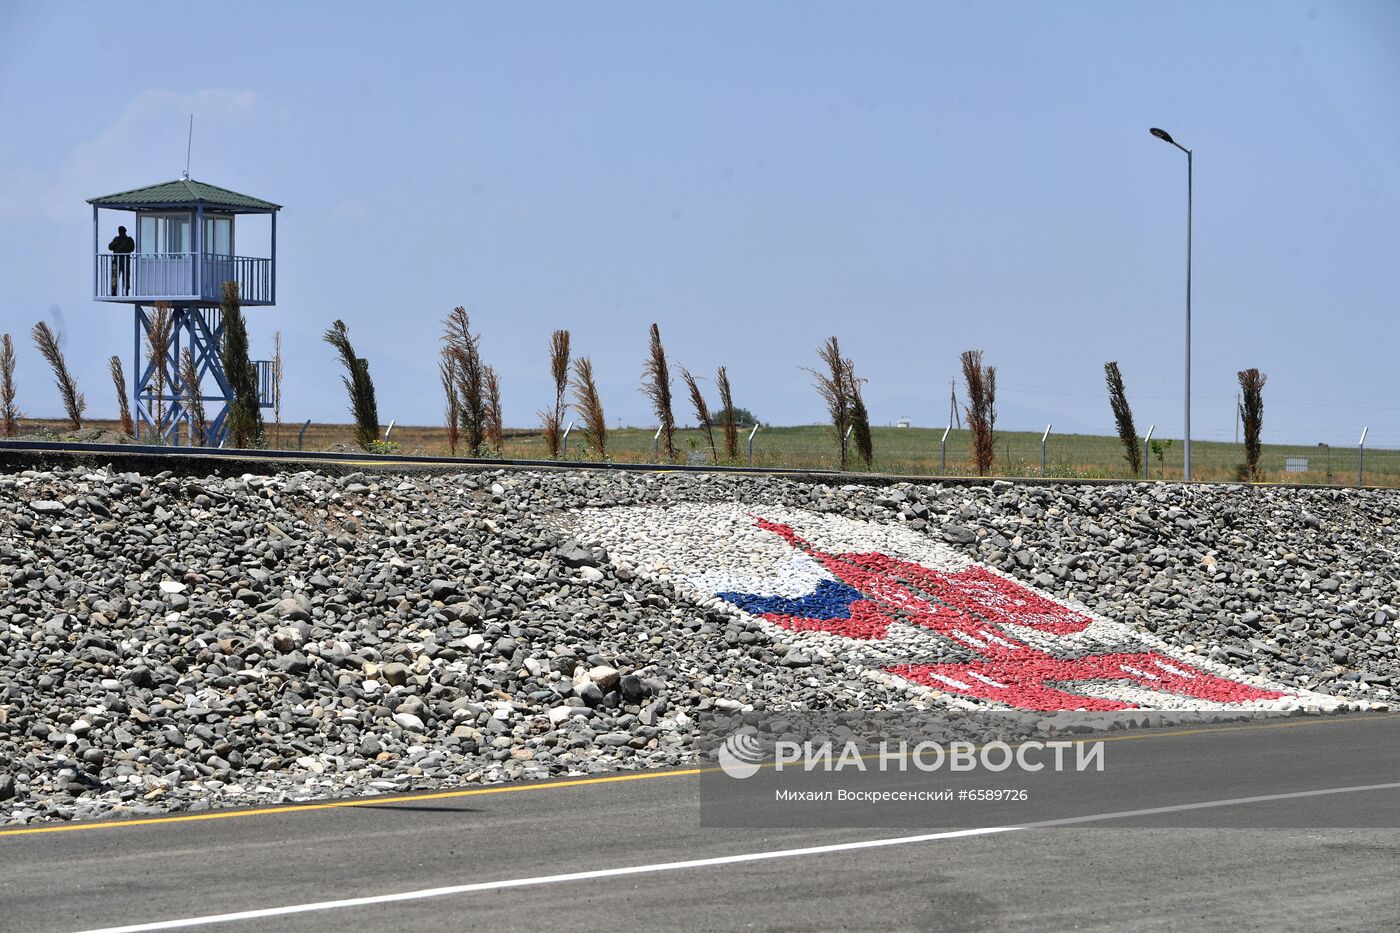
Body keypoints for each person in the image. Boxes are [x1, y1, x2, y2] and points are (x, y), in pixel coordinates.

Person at [108, 225, 135, 295]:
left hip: (117, 260)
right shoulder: (129, 240)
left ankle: (114, 291)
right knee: (126, 276)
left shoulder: (117, 239)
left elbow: (110, 247)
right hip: (125, 260)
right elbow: (132, 249)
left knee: (115, 276)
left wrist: (116, 243)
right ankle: (125, 291)